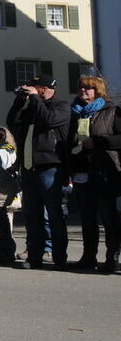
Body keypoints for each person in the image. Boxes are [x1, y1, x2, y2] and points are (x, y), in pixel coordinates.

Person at [6, 74, 71, 270]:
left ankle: (59, 258)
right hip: (29, 168)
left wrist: (34, 99)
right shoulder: (33, 108)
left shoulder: (61, 106)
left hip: (50, 168)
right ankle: (35, 257)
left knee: (54, 215)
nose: (33, 90)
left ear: (45, 88)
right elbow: (13, 123)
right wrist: (20, 101)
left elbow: (49, 120)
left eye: (36, 87)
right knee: (32, 216)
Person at [67, 76, 121, 273]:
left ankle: (111, 258)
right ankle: (88, 257)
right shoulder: (76, 113)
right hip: (82, 171)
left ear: (98, 91)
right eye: (81, 88)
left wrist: (97, 142)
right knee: (87, 217)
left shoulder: (112, 111)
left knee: (108, 217)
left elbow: (119, 139)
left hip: (104, 171)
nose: (83, 91)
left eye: (88, 88)